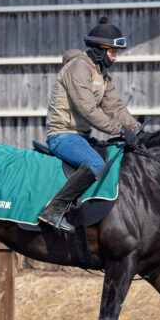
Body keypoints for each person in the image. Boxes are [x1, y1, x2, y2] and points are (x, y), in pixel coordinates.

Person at [38, 16, 141, 233]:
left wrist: (136, 129)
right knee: (95, 163)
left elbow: (115, 108)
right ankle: (53, 210)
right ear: (98, 50)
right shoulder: (78, 68)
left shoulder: (101, 75)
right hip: (62, 136)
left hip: (81, 136)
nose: (115, 58)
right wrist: (119, 130)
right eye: (112, 52)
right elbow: (89, 110)